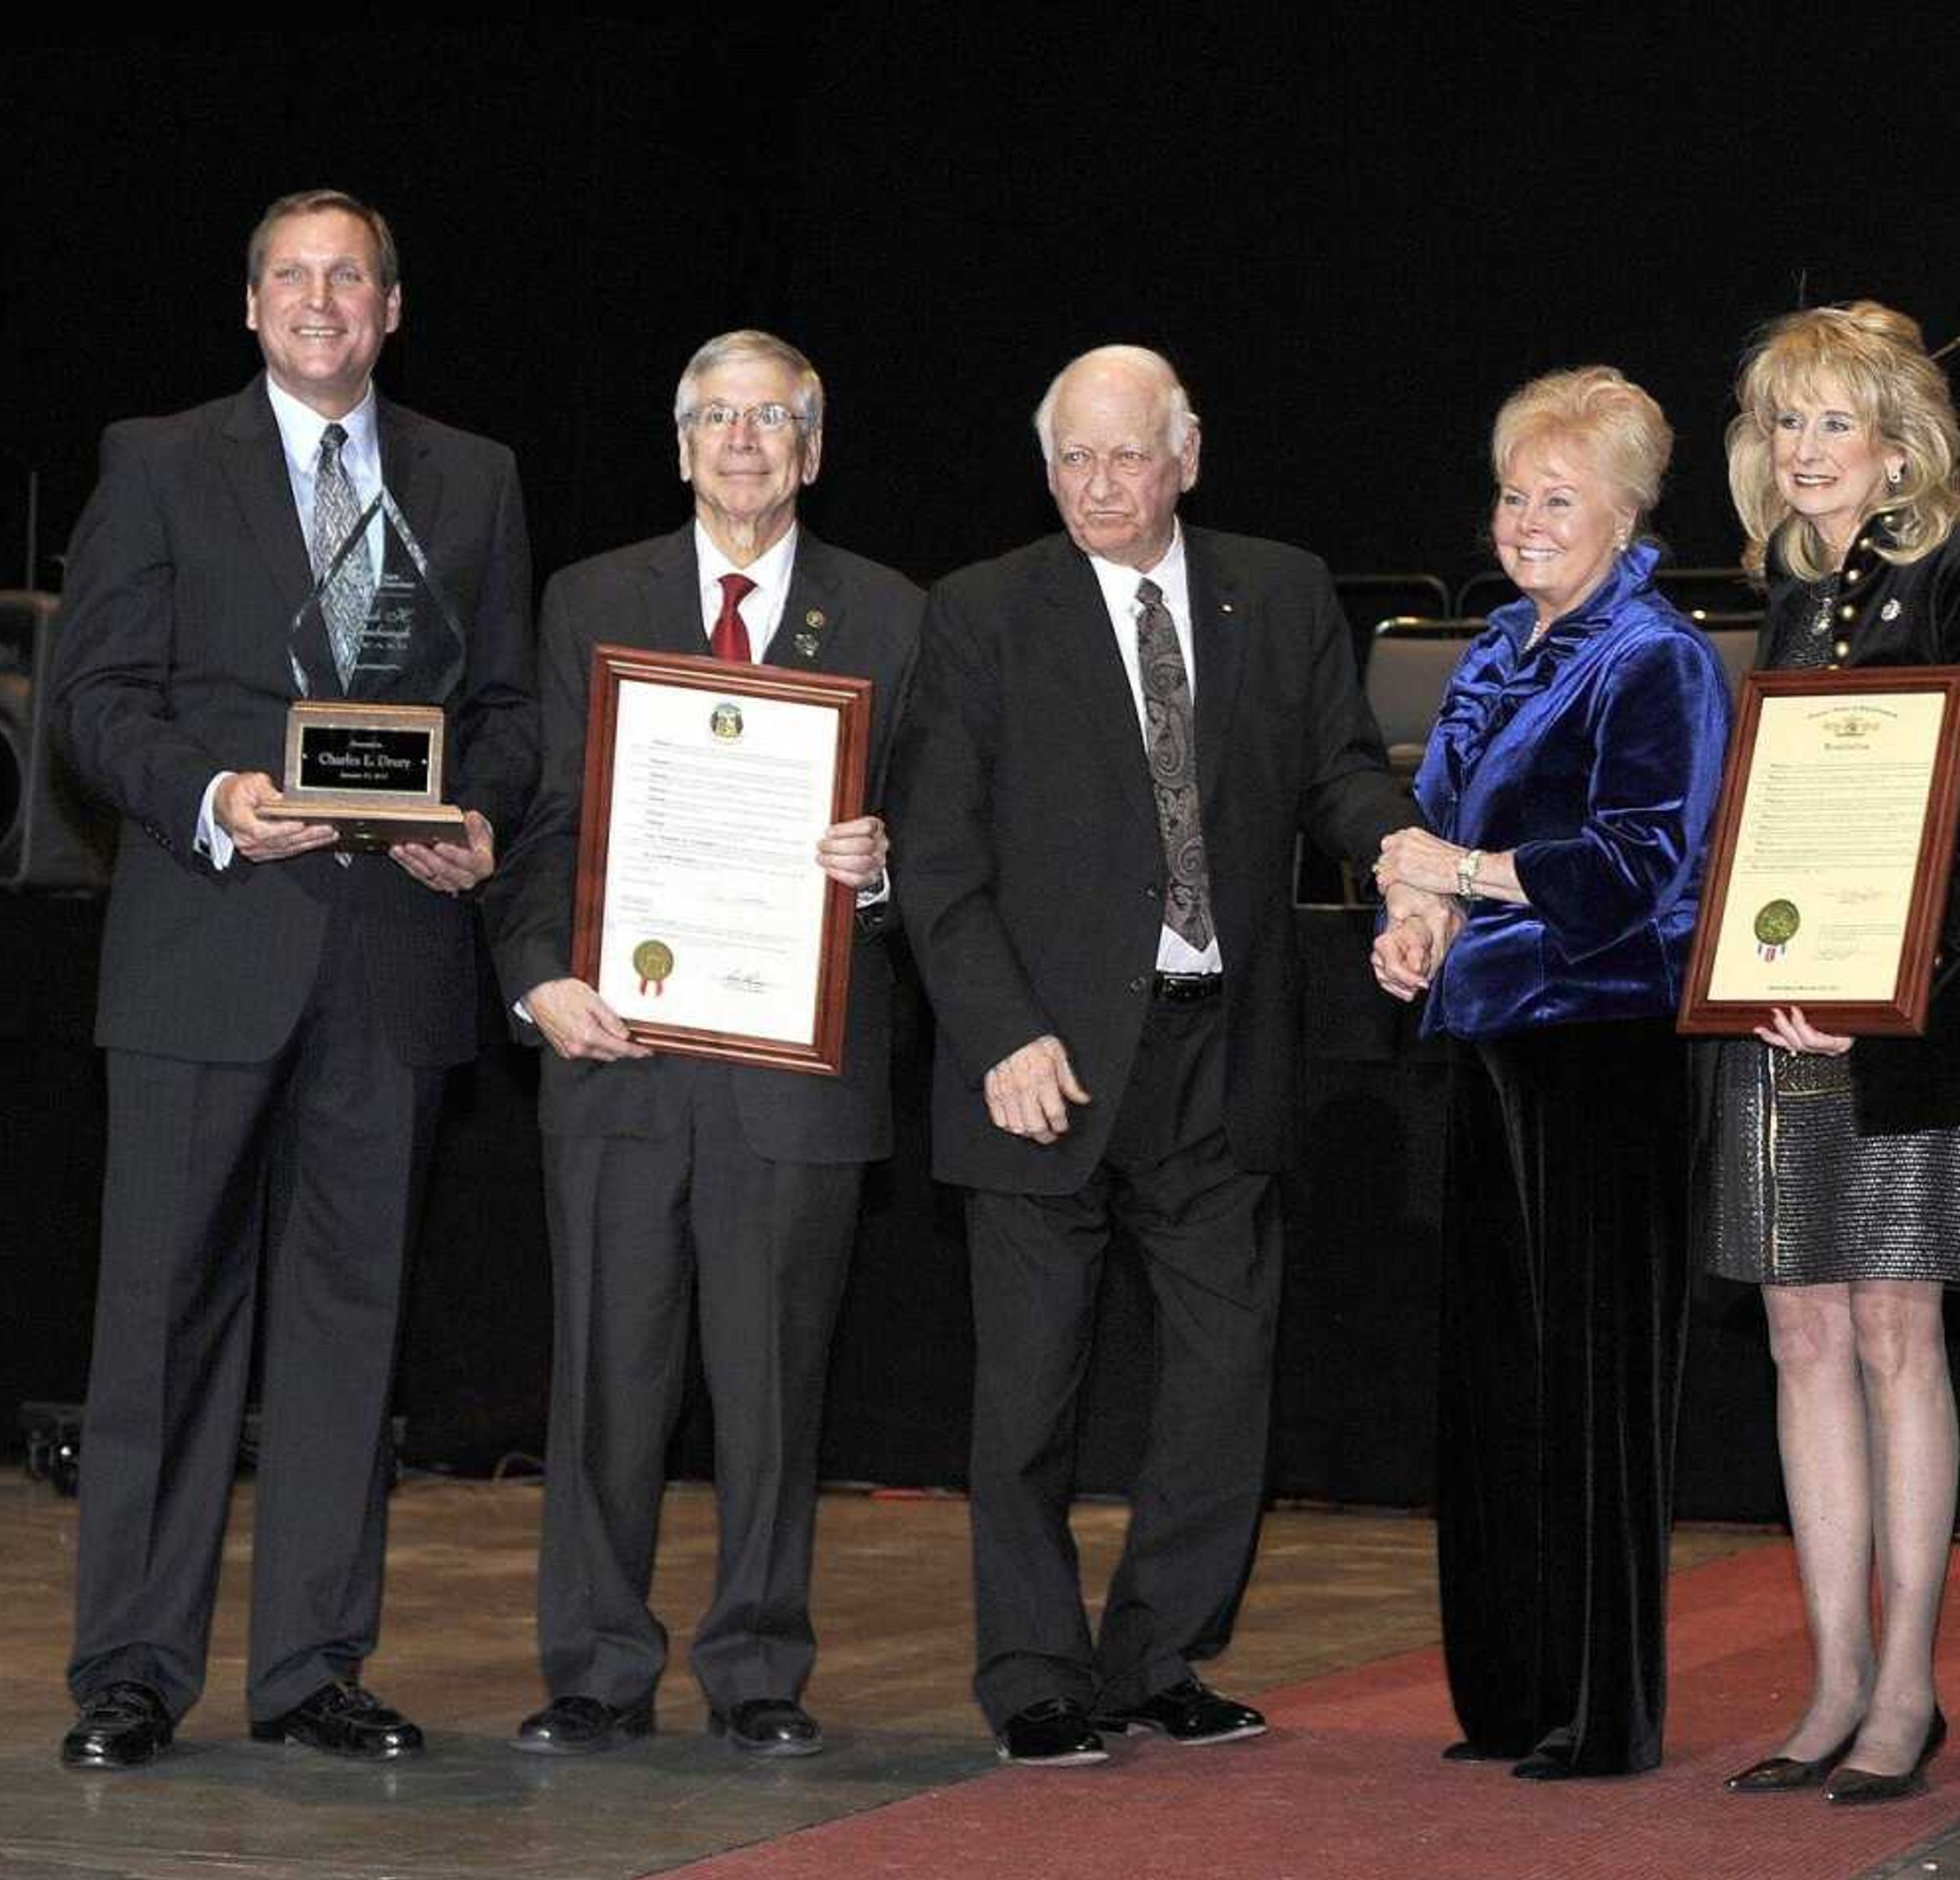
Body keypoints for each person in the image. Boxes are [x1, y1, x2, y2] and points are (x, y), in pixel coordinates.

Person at [887, 346, 1427, 1768]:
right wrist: (1000, 1032)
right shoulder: (981, 613)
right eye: (1072, 457)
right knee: (1028, 1397)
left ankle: (1159, 1658)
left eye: (1127, 457)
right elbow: (936, 859)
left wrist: (1399, 850)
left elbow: (1338, 773)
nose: (1098, 486)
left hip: (1220, 1050)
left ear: (1186, 458)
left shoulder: (1282, 589)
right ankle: (1035, 1678)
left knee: (1218, 1381)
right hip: (1043, 1058)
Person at [50, 189, 534, 1768]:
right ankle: (130, 1667)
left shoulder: (475, 478)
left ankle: (314, 1666)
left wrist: (479, 814)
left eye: (350, 278)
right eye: (292, 276)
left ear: (393, 309)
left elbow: (516, 710)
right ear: (251, 303)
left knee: (348, 1325)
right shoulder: (161, 462)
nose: (321, 300)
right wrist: (211, 801)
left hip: (388, 960)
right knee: (163, 1321)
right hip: (207, 949)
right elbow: (99, 701)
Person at [486, 330, 923, 1759]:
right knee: (607, 1379)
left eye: (773, 418)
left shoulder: (897, 618)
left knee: (776, 1388)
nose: (744, 443)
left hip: (796, 1074)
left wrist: (882, 869)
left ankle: (758, 1668)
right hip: (618, 1055)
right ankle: (597, 1667)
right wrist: (538, 975)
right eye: (716, 419)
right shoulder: (588, 598)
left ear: (814, 446)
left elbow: (953, 838)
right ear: (680, 448)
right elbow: (550, 819)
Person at [1702, 302, 1960, 1805]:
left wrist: (1876, 980)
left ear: (1900, 446)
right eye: (1785, 423)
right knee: (1798, 1334)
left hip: (1919, 1031)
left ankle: (1908, 1683)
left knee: (1898, 1332)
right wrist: (1764, 966)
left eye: (1835, 423)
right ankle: (1830, 1671)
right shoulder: (1783, 603)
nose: (1805, 451)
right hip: (1778, 1032)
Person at [1367, 367, 1730, 1780]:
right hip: (1492, 1043)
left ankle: (1600, 1705)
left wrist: (1454, 873)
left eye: (1557, 499)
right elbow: (1441, 831)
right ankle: (1510, 1689)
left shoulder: (1654, 656)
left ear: (1626, 513)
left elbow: (1646, 863)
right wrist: (1419, 923)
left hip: (1605, 1041)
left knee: (1595, 1385)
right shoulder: (1503, 647)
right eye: (1515, 493)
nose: (1524, 520)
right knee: (1501, 1377)